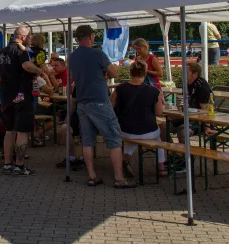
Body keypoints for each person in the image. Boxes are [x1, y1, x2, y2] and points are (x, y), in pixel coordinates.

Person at [68, 25, 134, 188]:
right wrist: (102, 74)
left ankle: (92, 176)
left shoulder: (72, 57)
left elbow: (74, 75)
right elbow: (114, 73)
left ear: (77, 38)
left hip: (82, 102)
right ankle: (119, 178)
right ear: (91, 36)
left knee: (88, 140)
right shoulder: (97, 53)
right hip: (98, 100)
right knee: (114, 138)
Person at [0, 27, 42, 176]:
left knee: (9, 130)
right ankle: (19, 165)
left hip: (6, 96)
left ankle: (8, 164)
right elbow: (26, 65)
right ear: (24, 37)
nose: (30, 39)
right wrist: (39, 71)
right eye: (29, 37)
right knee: (23, 131)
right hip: (21, 96)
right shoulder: (22, 51)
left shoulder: (2, 51)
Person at [110, 61, 167, 179]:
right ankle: (161, 168)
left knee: (132, 137)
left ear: (130, 72)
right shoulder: (154, 91)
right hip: (148, 130)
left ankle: (125, 159)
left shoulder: (119, 88)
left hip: (124, 129)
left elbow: (110, 107)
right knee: (159, 139)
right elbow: (159, 113)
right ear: (145, 73)